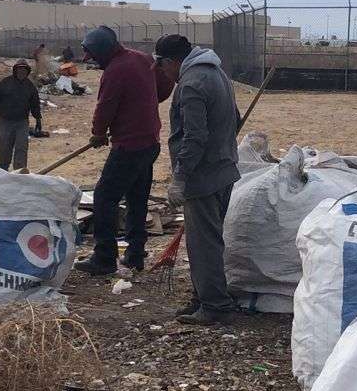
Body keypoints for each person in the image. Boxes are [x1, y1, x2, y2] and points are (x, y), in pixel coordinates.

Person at [153, 34, 241, 325]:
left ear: (170, 61)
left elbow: (194, 137)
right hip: (224, 169)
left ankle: (215, 306)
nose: (163, 74)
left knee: (203, 245)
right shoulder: (217, 73)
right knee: (210, 240)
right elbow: (234, 119)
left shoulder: (191, 84)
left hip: (203, 177)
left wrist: (180, 177)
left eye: (162, 67)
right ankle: (205, 296)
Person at [75, 26, 170, 276]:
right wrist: (142, 101)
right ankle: (135, 254)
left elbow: (105, 106)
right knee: (137, 199)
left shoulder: (115, 70)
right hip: (149, 143)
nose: (91, 60)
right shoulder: (142, 58)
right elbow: (165, 85)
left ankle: (104, 257)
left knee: (104, 198)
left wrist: (98, 133)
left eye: (92, 55)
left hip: (129, 145)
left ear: (104, 51)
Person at [0, 59, 41, 171]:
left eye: (24, 70)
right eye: (19, 70)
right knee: (5, 147)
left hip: (22, 122)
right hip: (5, 121)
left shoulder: (30, 86)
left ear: (27, 72)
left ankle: (19, 172)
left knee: (21, 147)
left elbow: (35, 104)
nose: (21, 72)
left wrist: (38, 119)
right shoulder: (5, 83)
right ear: (15, 70)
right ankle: (3, 169)